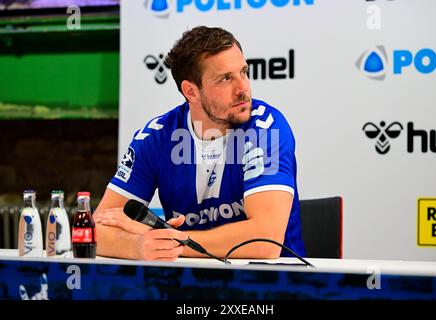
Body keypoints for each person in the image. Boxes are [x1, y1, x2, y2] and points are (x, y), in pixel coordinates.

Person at [93, 26, 305, 261]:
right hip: (188, 281)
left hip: (270, 284)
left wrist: (172, 240)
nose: (243, 88)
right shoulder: (155, 138)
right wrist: (137, 245)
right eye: (226, 79)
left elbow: (266, 242)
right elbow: (94, 230)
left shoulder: (266, 127)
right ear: (191, 91)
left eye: (243, 72)